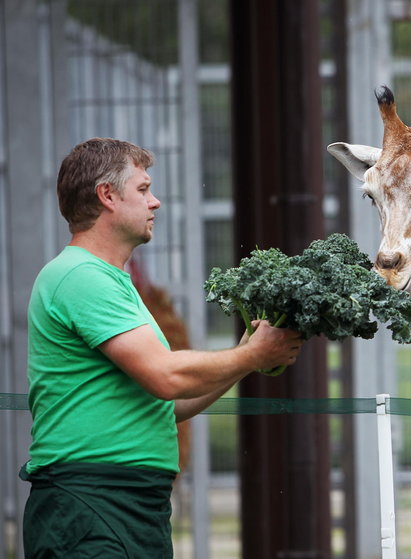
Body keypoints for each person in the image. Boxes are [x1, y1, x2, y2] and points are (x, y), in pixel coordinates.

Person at [20, 137, 304, 558]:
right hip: (90, 502)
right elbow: (166, 375)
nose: (155, 202)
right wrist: (252, 356)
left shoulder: (114, 283)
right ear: (107, 196)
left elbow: (167, 405)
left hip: (131, 504)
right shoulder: (81, 276)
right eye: (143, 189)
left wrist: (244, 359)